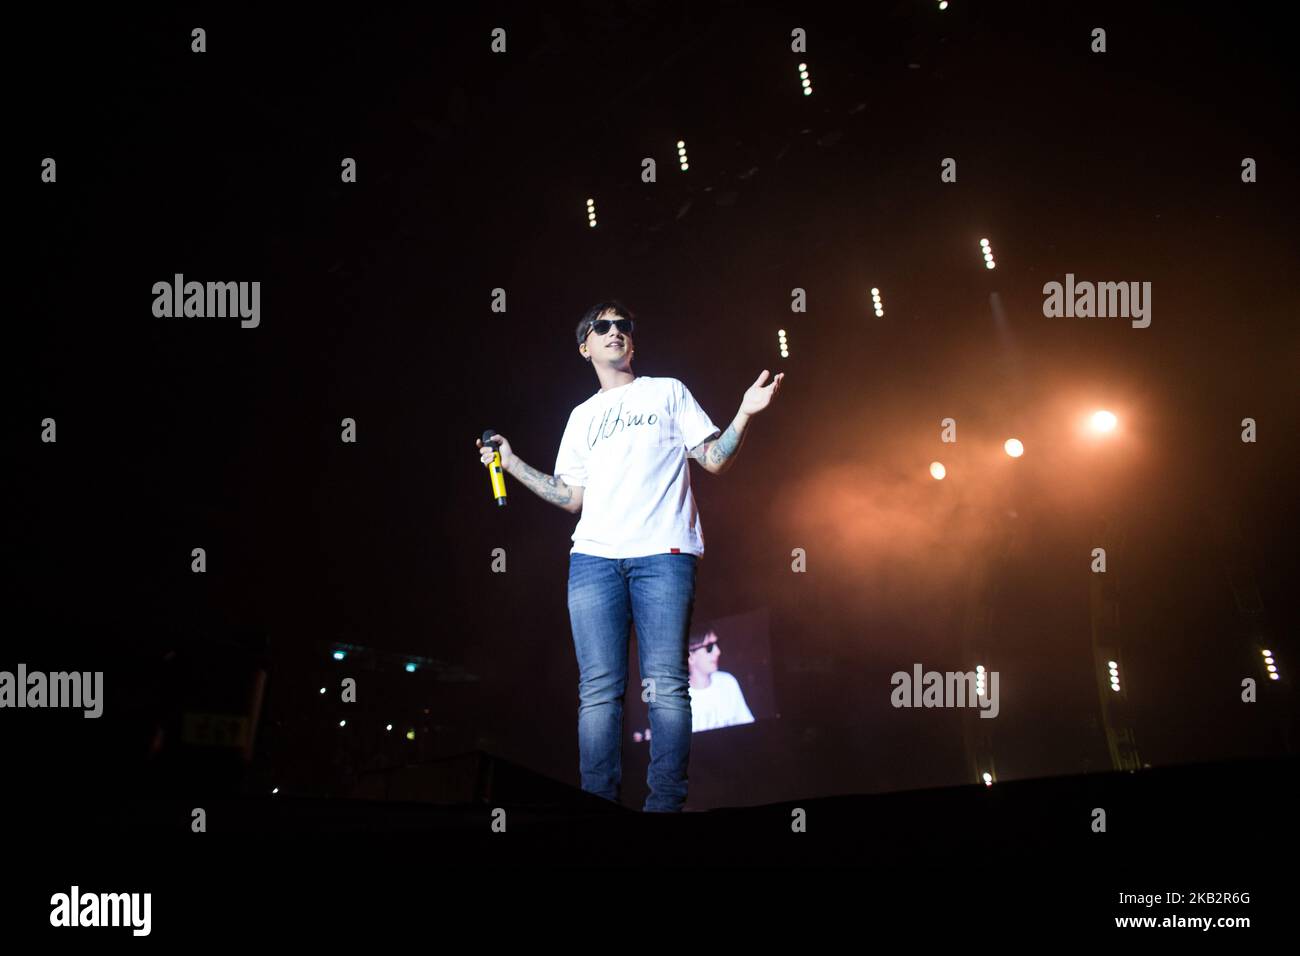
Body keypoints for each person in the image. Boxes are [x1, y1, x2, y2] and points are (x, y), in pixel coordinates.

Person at [476, 300, 783, 811]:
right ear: (586, 346)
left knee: (666, 682)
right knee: (598, 691)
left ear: (632, 342)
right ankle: (598, 803)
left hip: (663, 553)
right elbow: (570, 496)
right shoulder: (581, 417)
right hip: (593, 560)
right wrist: (510, 463)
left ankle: (664, 805)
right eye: (603, 326)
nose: (615, 331)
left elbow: (712, 459)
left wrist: (744, 413)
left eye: (624, 326)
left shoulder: (667, 391)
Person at [686, 629, 755, 732]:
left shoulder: (727, 683)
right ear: (690, 656)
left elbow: (749, 728)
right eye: (709, 647)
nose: (718, 651)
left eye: (717, 644)